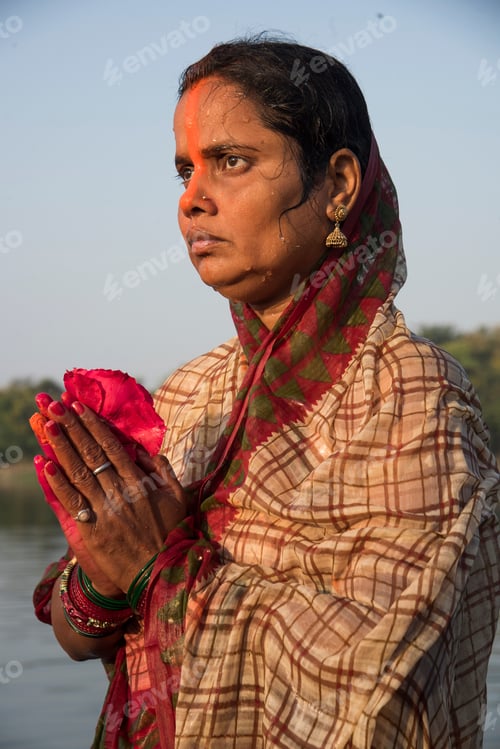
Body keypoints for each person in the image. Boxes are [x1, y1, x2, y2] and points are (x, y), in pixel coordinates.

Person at [32, 36, 500, 748]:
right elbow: (78, 629)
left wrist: (163, 567)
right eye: (185, 170)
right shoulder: (193, 392)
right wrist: (103, 577)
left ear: (338, 185)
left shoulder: (411, 395)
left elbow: (383, 691)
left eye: (232, 162)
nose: (193, 200)